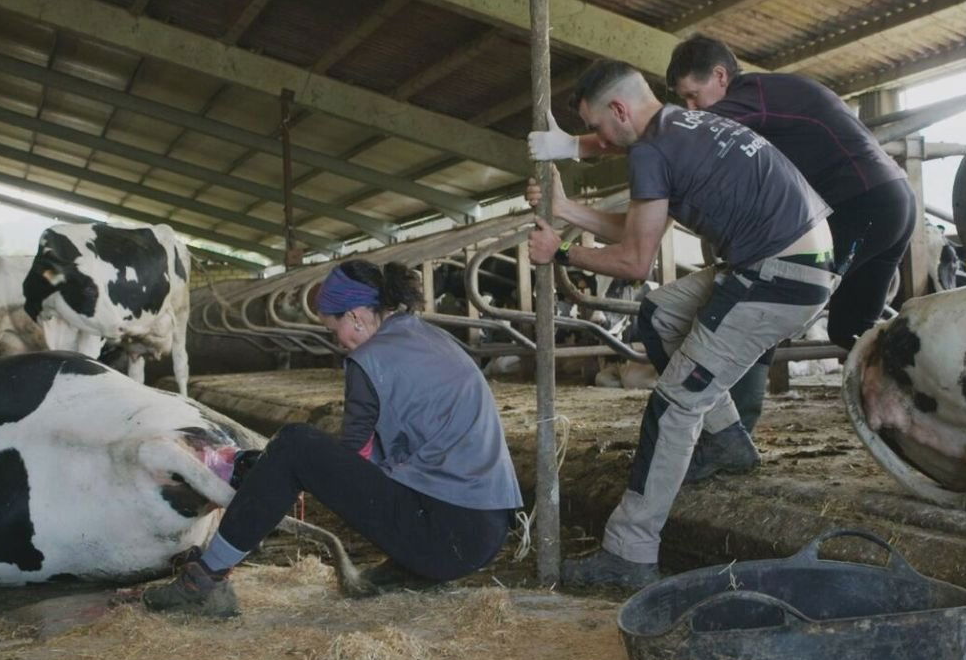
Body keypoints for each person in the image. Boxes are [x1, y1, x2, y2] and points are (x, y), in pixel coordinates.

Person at [531, 36, 915, 481]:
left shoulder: (745, 100)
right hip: (888, 201)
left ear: (720, 78)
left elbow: (654, 134)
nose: (690, 107)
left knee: (753, 309)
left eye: (694, 96)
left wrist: (572, 147)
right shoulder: (772, 94)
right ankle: (928, 403)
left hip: (858, 206)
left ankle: (733, 439)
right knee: (851, 328)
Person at [526, 60, 839, 587]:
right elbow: (638, 232)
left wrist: (562, 256)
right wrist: (566, 209)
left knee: (673, 403)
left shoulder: (651, 149)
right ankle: (728, 442)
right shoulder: (678, 127)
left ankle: (629, 552)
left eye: (598, 126)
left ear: (621, 111)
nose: (599, 139)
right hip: (791, 261)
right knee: (661, 311)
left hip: (779, 278)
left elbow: (633, 263)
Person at [143, 259, 523, 615]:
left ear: (356, 316)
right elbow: (379, 453)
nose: (337, 341)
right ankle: (409, 568)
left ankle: (204, 579)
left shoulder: (370, 359)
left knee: (294, 443)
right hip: (484, 533)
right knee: (300, 451)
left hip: (446, 536)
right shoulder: (427, 337)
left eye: (334, 328)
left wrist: (271, 470)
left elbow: (349, 459)